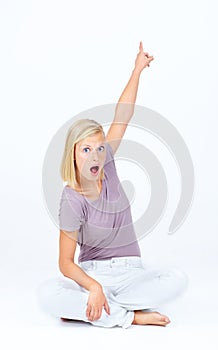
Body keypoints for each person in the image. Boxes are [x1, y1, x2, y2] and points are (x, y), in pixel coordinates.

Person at [38, 42, 188, 328]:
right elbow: (66, 264)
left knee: (177, 279)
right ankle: (130, 316)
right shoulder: (71, 200)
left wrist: (137, 70)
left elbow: (123, 115)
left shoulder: (107, 164)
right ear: (72, 153)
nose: (95, 155)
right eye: (86, 150)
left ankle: (97, 310)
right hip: (95, 275)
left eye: (99, 148)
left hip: (132, 273)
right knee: (47, 294)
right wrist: (94, 287)